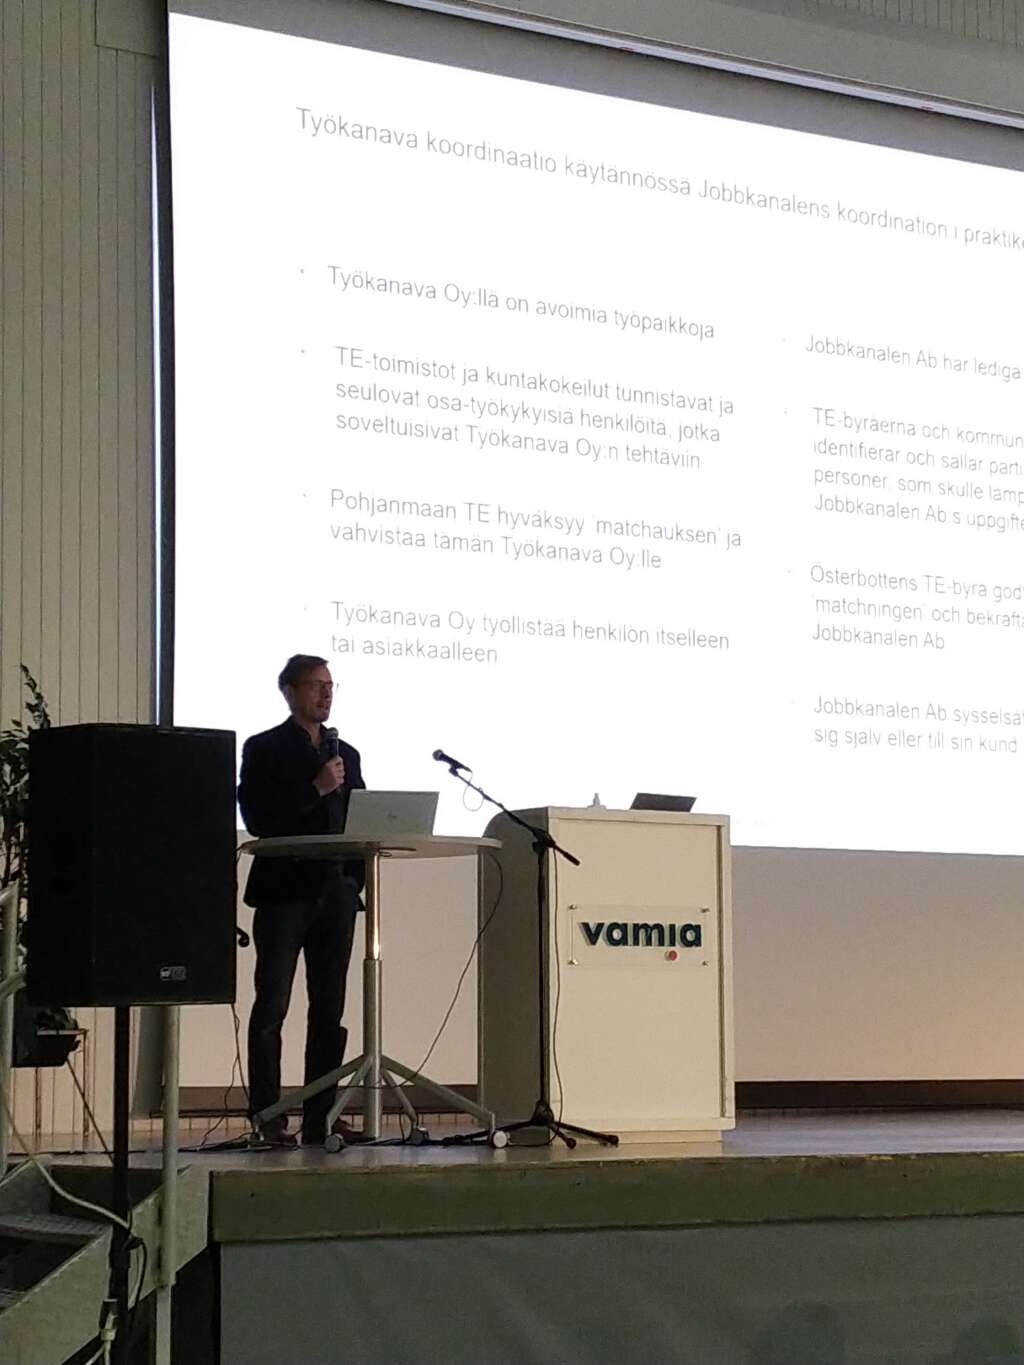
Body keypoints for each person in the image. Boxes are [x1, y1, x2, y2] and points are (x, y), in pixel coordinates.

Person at [238, 653, 365, 1146]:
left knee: (329, 1010)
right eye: (316, 685)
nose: (326, 693)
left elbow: (360, 818)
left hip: (336, 892)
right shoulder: (264, 748)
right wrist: (316, 787)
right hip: (285, 891)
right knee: (272, 1005)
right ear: (289, 691)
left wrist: (354, 880)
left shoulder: (346, 752)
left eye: (331, 685)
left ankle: (321, 1116)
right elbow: (259, 818)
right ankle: (267, 1116)